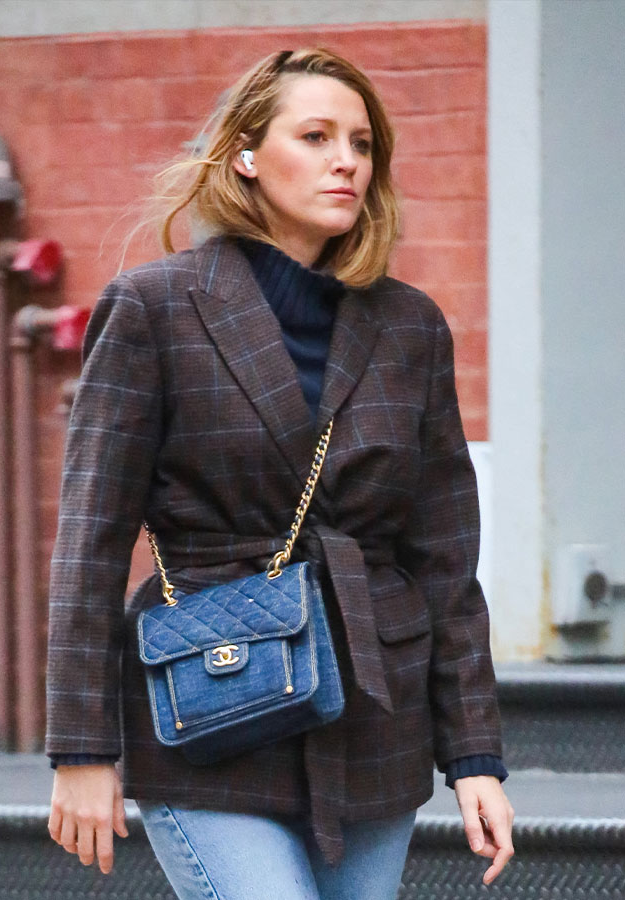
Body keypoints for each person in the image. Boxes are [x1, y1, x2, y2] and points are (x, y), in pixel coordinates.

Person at [46, 48, 514, 900]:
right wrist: (82, 746)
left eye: (363, 143)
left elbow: (446, 560)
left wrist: (474, 755)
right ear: (246, 157)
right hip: (212, 699)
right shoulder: (156, 308)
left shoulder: (411, 327)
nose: (348, 161)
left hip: (376, 715)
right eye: (317, 136)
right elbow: (90, 539)